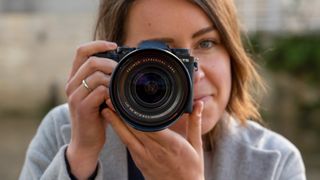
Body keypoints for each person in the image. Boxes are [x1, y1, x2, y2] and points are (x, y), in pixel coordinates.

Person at [20, 0, 306, 179]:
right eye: (162, 54)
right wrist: (79, 160)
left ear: (232, 51)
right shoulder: (65, 133)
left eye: (206, 43)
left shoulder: (274, 164)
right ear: (118, 62)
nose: (193, 72)